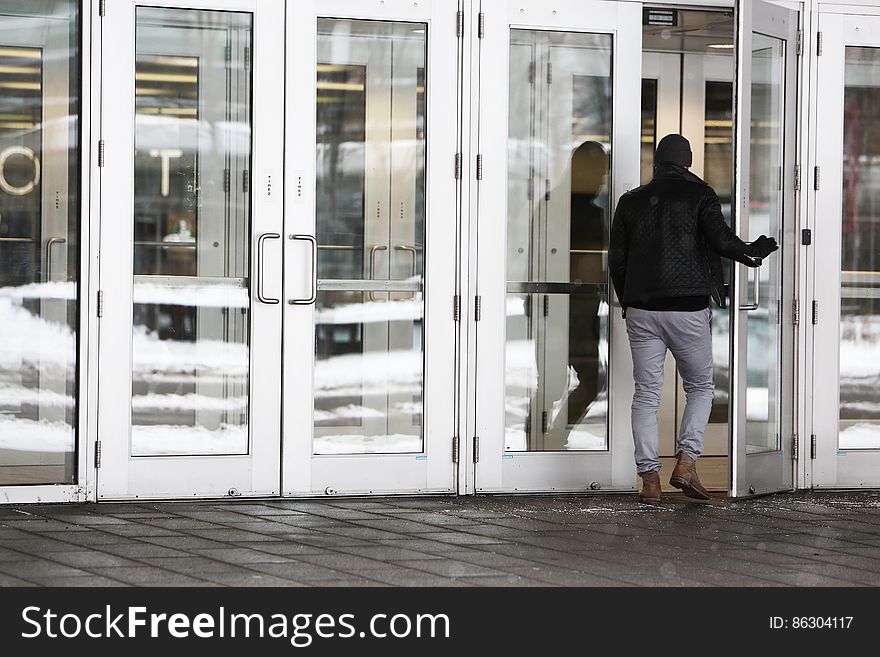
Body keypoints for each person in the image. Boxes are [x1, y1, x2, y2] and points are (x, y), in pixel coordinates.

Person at [609, 134, 778, 503]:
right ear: (687, 163)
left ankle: (649, 480)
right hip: (687, 309)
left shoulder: (630, 201)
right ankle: (686, 463)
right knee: (700, 388)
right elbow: (721, 241)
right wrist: (754, 252)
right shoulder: (700, 195)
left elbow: (617, 262)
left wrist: (630, 302)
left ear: (657, 164)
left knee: (647, 395)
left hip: (642, 311)